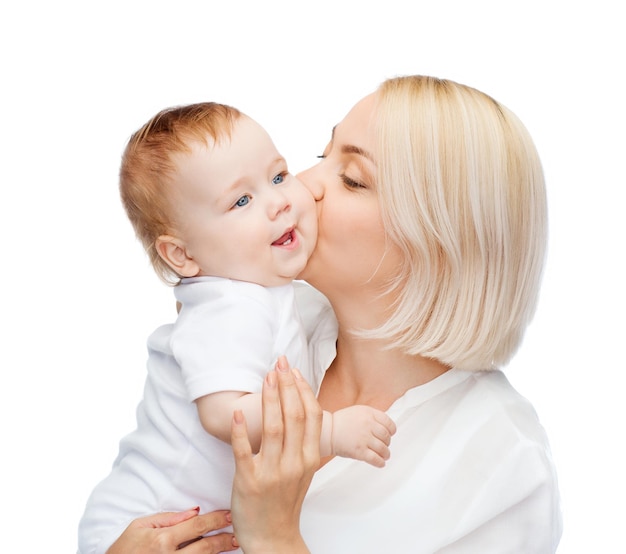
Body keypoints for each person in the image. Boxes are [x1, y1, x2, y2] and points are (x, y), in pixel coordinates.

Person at [107, 74, 563, 553]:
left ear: (442, 245)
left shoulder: (504, 466)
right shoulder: (267, 321)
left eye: (352, 179)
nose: (303, 187)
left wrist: (274, 536)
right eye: (323, 156)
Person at [77, 102, 397, 554]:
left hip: (201, 525)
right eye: (241, 201)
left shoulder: (274, 294)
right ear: (183, 256)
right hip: (145, 524)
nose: (279, 201)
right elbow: (226, 415)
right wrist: (330, 432)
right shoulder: (230, 306)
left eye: (279, 176)